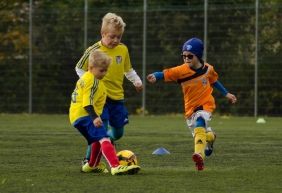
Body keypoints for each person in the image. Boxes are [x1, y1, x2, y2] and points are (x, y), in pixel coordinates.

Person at [147, 37, 237, 171]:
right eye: (183, 56)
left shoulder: (208, 69)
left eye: (190, 56)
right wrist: (155, 76)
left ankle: (199, 156)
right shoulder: (181, 71)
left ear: (198, 55)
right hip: (190, 110)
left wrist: (227, 94)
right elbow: (166, 73)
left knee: (200, 121)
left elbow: (214, 81)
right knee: (199, 134)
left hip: (206, 105)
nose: (186, 58)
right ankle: (210, 137)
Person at [75, 12, 143, 162]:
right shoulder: (93, 51)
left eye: (119, 37)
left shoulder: (123, 49)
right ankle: (89, 160)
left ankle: (108, 141)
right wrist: (88, 82)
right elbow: (79, 68)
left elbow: (128, 69)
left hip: (117, 97)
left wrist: (137, 81)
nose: (115, 40)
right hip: (100, 98)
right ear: (103, 33)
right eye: (112, 36)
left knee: (118, 132)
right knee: (100, 130)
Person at [69, 49, 140, 175]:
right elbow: (87, 102)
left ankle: (91, 165)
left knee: (97, 139)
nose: (104, 73)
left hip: (76, 116)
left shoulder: (86, 77)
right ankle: (115, 166)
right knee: (105, 138)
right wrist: (94, 117)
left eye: (106, 70)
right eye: (102, 70)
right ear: (91, 67)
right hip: (85, 115)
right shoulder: (93, 81)